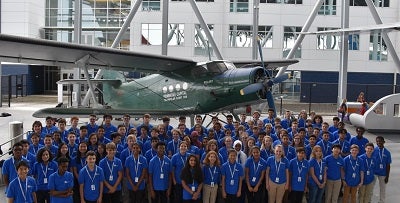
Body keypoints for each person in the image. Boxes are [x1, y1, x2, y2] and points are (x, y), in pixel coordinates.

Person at [373, 136, 391, 203]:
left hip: (383, 174)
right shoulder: (373, 150)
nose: (378, 142)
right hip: (374, 172)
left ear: (383, 142)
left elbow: (388, 165)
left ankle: (382, 201)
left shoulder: (387, 152)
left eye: (380, 141)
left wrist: (387, 176)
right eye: (377, 141)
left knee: (383, 189)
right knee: (371, 187)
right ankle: (369, 200)